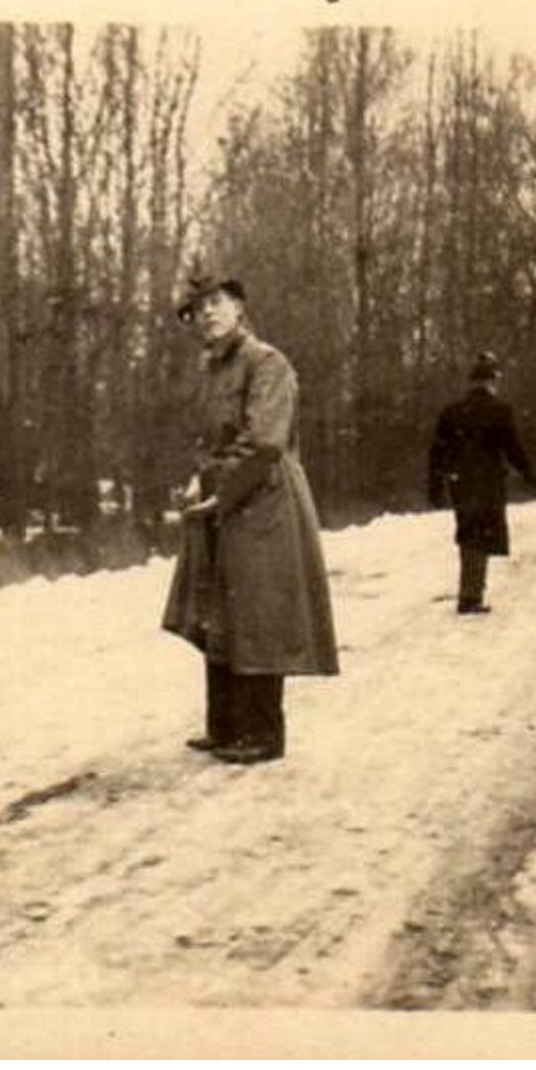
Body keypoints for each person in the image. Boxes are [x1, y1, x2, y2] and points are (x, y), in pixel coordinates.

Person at [161, 276, 339, 765]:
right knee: (218, 609)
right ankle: (225, 728)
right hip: (225, 498)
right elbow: (212, 441)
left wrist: (216, 486)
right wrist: (201, 481)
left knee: (258, 613)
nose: (208, 314)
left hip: (264, 500)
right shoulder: (212, 371)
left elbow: (264, 443)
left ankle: (262, 734)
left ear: (239, 307)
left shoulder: (268, 363)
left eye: (217, 303)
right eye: (198, 309)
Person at [427, 351, 536, 614]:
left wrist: (435, 486)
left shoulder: (452, 412)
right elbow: (512, 447)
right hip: (489, 483)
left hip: (461, 483)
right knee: (483, 536)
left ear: (470, 382)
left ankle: (471, 592)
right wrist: (528, 473)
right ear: (492, 381)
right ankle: (471, 596)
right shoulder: (499, 411)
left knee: (468, 533)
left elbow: (437, 452)